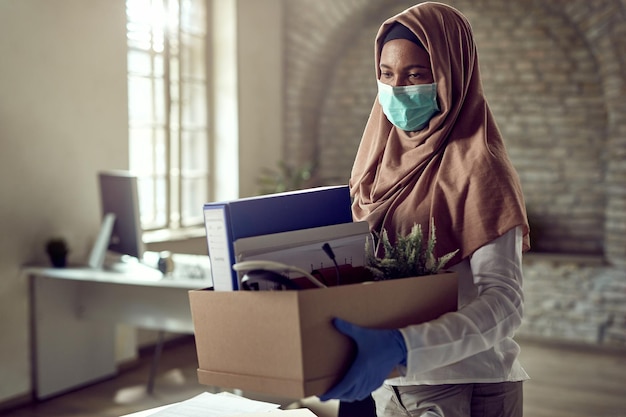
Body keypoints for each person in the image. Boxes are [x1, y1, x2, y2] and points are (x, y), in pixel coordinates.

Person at [319, 2, 531, 417]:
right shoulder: (376, 159)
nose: (397, 89)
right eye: (386, 74)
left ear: (452, 75)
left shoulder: (480, 168)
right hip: (388, 382)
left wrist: (405, 345)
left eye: (415, 75)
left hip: (461, 383)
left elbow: (504, 302)